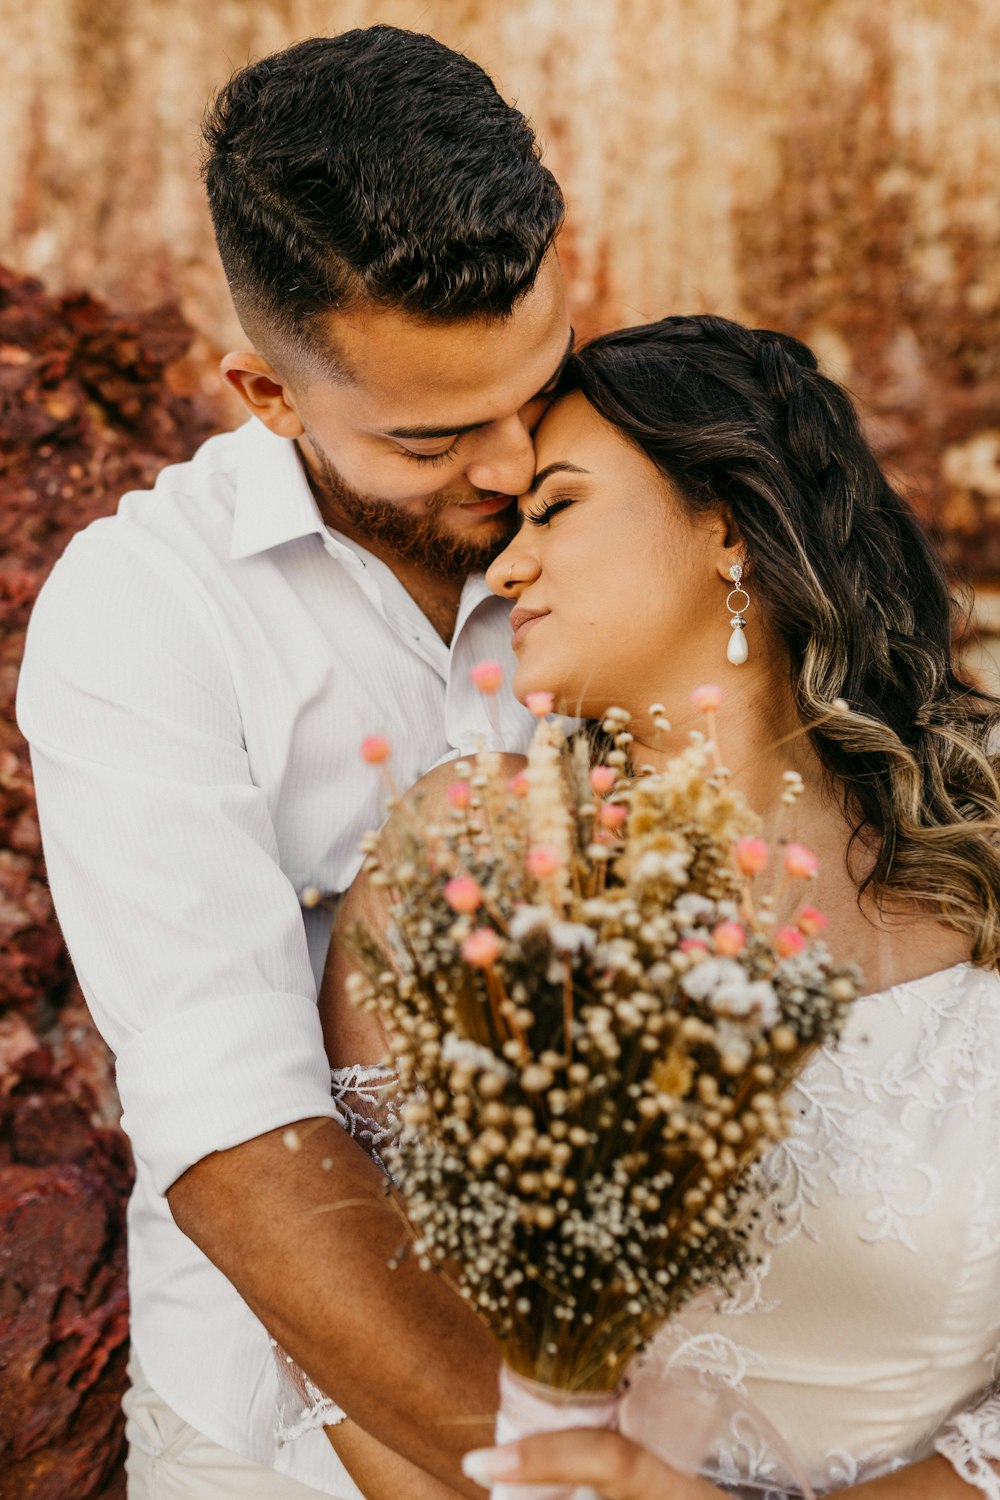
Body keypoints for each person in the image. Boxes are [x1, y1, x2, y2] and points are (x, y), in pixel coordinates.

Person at [16, 25, 572, 1500]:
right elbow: (241, 1138)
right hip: (273, 1432)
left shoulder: (635, 503)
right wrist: (583, 1480)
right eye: (439, 436)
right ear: (265, 396)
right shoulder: (145, 614)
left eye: (541, 383)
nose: (518, 468)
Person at [319, 315, 1000, 1497]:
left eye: (556, 509)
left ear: (728, 526)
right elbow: (350, 1337)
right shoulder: (482, 861)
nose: (505, 566)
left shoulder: (983, 841)